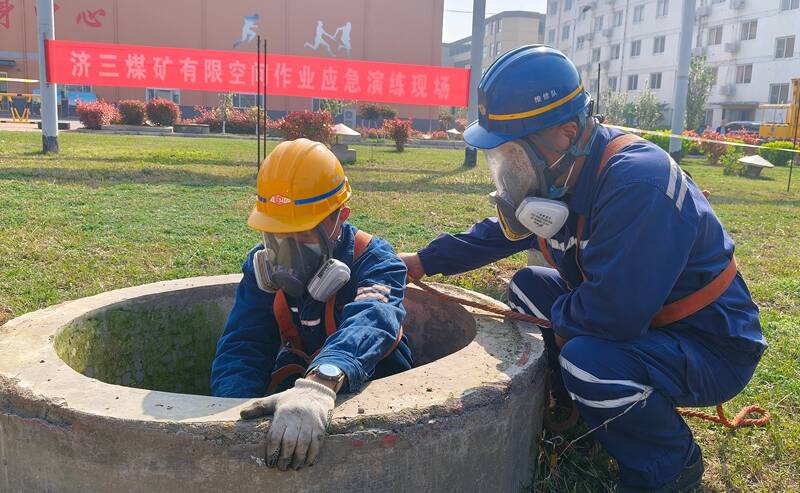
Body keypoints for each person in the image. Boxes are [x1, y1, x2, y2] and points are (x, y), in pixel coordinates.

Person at [401, 45, 765, 492]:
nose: (507, 171)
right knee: (530, 286)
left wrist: (561, 329)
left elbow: (610, 317)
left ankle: (668, 465)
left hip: (707, 344)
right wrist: (424, 261)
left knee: (588, 361)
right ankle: (583, 404)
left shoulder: (637, 184)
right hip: (642, 318)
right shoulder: (566, 169)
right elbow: (501, 234)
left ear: (566, 133)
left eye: (512, 154)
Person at [212, 138, 412, 471]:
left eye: (303, 233)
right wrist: (234, 415)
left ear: (340, 218)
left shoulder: (375, 260)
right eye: (277, 232)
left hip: (371, 380)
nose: (287, 249)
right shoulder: (262, 267)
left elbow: (372, 320)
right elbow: (244, 342)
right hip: (301, 385)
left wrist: (320, 383)